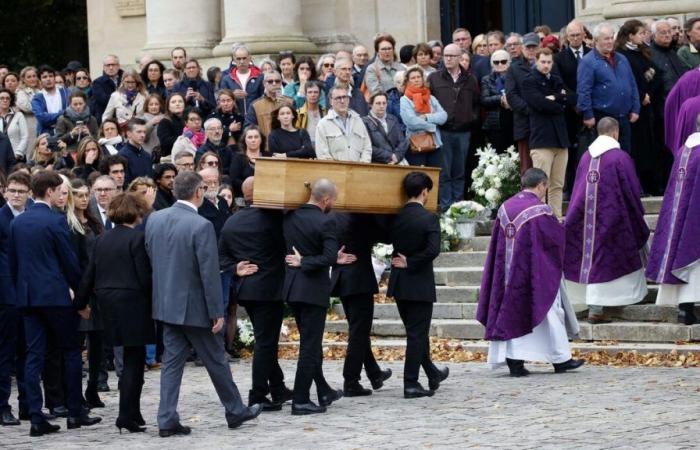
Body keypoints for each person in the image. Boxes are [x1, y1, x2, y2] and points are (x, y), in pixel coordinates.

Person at [145, 171, 262, 436]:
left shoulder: (155, 219)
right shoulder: (200, 225)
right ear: (198, 192)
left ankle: (166, 418)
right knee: (216, 360)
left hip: (166, 304)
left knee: (172, 364)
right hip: (195, 307)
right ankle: (234, 410)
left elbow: (153, 258)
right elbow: (208, 272)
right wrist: (216, 311)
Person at [10, 171, 100, 436]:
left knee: (34, 355)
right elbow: (70, 263)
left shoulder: (19, 223)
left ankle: (36, 416)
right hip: (56, 297)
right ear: (49, 191)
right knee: (70, 352)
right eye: (59, 190)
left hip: (28, 298)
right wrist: (80, 298)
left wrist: (22, 291)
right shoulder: (56, 221)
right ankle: (74, 412)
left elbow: (14, 264)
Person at [477, 167, 584, 377]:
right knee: (550, 311)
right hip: (533, 273)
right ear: (541, 185)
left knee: (510, 312)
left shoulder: (504, 207)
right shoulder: (540, 210)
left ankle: (515, 363)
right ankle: (561, 359)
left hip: (506, 276)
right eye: (545, 187)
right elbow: (555, 239)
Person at [77, 192, 153, 433]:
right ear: (137, 212)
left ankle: (133, 412)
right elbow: (144, 277)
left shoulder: (102, 239)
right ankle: (125, 415)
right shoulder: (137, 239)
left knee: (129, 359)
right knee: (134, 361)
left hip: (107, 302)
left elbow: (89, 274)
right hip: (132, 302)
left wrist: (80, 302)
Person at [564, 118, 650, 324]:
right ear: (615, 134)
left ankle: (592, 305)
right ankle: (608, 304)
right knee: (610, 256)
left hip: (584, 218)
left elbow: (577, 190)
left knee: (591, 255)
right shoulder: (620, 157)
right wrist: (637, 213)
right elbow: (631, 190)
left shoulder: (585, 157)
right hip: (615, 219)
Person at [219, 176, 292, 410]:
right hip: (269, 290)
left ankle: (278, 387)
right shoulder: (274, 219)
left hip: (247, 290)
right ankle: (258, 394)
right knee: (266, 342)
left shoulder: (233, 221)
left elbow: (222, 256)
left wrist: (235, 269)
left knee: (265, 340)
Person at [283, 178, 342, 415]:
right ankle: (300, 399)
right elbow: (329, 258)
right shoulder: (326, 222)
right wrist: (306, 261)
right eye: (333, 200)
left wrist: (300, 260)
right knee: (310, 346)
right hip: (312, 290)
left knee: (310, 343)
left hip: (293, 288)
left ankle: (323, 389)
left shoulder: (290, 217)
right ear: (326, 199)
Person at [387, 172, 448, 398]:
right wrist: (411, 262)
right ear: (424, 192)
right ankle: (411, 383)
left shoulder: (395, 216)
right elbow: (433, 250)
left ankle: (432, 373)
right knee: (417, 334)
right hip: (418, 282)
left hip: (400, 283)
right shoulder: (428, 218)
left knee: (415, 332)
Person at [646, 114, 700, 324]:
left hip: (678, 216)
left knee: (683, 258)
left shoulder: (683, 151)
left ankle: (684, 309)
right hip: (694, 217)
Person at [67, 178, 106, 409]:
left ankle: (93, 387)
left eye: (85, 194)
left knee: (99, 344)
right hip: (82, 288)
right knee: (78, 343)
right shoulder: (70, 225)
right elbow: (74, 262)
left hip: (98, 287)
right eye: (78, 195)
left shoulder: (93, 221)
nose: (83, 198)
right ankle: (76, 393)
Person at [616, 19, 665, 195]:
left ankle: (650, 183)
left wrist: (648, 92)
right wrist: (640, 93)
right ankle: (638, 185)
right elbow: (630, 80)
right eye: (641, 33)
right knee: (636, 147)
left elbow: (656, 74)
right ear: (630, 35)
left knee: (648, 147)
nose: (644, 36)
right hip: (634, 109)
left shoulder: (642, 51)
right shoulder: (622, 54)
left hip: (647, 105)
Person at [521, 47, 571, 218]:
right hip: (542, 140)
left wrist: (555, 98)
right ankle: (540, 218)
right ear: (536, 61)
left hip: (560, 139)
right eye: (543, 61)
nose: (546, 65)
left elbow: (569, 99)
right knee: (540, 185)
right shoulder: (529, 80)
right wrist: (557, 100)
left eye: (549, 62)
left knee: (557, 184)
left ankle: (556, 218)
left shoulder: (556, 79)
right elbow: (538, 103)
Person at [428, 43, 479, 208]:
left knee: (460, 171)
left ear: (459, 58)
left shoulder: (470, 79)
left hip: (463, 132)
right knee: (444, 172)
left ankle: (458, 207)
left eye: (452, 56)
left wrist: (471, 118)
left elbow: (476, 103)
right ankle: (446, 208)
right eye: (446, 55)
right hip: (442, 131)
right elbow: (427, 104)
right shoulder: (434, 78)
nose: (448, 59)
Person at [577, 23, 640, 153]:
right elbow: (584, 90)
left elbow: (632, 84)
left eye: (612, 37)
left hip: (624, 118)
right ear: (596, 40)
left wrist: (636, 108)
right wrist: (588, 115)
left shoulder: (622, 59)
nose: (610, 41)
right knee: (606, 155)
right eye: (606, 38)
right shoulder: (588, 62)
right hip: (603, 118)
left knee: (624, 154)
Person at [0, 171, 31, 426]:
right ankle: (2, 406)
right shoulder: (1, 219)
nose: (17, 195)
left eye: (22, 191)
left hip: (29, 293)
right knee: (5, 353)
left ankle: (27, 405)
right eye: (13, 191)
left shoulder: (31, 218)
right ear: (5, 192)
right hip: (7, 296)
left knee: (27, 351)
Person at [505, 33, 539, 174]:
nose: (531, 50)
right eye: (528, 47)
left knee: (543, 164)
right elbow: (511, 95)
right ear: (522, 48)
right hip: (524, 123)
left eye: (534, 47)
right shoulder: (514, 68)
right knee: (527, 166)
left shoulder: (546, 63)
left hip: (544, 125)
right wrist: (531, 109)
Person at [315, 86, 372, 162]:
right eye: (338, 98)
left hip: (358, 171)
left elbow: (367, 147)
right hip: (335, 172)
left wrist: (362, 166)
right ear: (331, 101)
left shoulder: (358, 121)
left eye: (345, 97)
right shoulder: (323, 124)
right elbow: (323, 155)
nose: (342, 101)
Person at [480, 49, 514, 152]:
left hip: (514, 122)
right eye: (496, 62)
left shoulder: (515, 77)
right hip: (495, 124)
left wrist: (511, 99)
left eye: (503, 61)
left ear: (509, 62)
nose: (500, 64)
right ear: (492, 64)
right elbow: (484, 99)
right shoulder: (486, 79)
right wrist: (501, 99)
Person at [244, 71, 293, 139]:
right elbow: (249, 129)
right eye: (270, 81)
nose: (274, 83)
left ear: (281, 82)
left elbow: (297, 125)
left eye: (277, 81)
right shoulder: (255, 105)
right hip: (265, 147)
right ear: (264, 83)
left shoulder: (290, 102)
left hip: (288, 145)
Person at [363, 92, 408, 164]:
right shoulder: (364, 122)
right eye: (378, 103)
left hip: (397, 160)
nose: (382, 106)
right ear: (371, 105)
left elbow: (402, 141)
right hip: (377, 163)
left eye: (384, 103)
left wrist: (397, 156)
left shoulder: (393, 119)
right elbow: (368, 146)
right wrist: (390, 156)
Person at [219, 44, 264, 114]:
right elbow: (221, 100)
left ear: (249, 58)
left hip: (255, 116)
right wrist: (232, 95)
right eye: (239, 59)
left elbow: (264, 97)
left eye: (244, 58)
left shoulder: (259, 77)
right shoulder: (227, 79)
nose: (242, 61)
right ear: (234, 59)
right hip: (235, 116)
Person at [229, 126, 270, 199]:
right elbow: (234, 180)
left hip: (266, 196)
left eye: (256, 137)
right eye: (250, 137)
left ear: (261, 139)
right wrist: (252, 187)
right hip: (244, 199)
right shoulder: (238, 158)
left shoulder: (268, 156)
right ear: (244, 140)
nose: (253, 140)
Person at [31, 65, 70, 136]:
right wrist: (62, 113)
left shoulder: (65, 92)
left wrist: (49, 116)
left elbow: (71, 112)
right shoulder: (37, 98)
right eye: (44, 77)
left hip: (66, 132)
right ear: (40, 81)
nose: (48, 79)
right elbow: (42, 118)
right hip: (46, 135)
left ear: (54, 78)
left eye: (51, 76)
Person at [197, 167, 230, 238]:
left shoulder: (222, 201)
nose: (213, 186)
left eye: (215, 182)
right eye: (208, 182)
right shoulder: (197, 203)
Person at [118, 118, 153, 185]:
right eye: (139, 132)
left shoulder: (147, 156)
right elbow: (124, 182)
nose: (143, 135)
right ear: (129, 134)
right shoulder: (122, 156)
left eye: (144, 132)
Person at [92, 55, 123, 124]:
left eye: (113, 65)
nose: (111, 68)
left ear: (118, 66)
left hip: (124, 118)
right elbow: (104, 100)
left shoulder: (125, 80)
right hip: (105, 119)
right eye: (108, 65)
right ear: (104, 67)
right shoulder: (97, 83)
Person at [16, 66, 40, 153]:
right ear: (23, 79)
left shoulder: (40, 91)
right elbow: (27, 107)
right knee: (31, 153)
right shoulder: (20, 92)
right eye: (29, 77)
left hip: (42, 127)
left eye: (34, 76)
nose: (32, 79)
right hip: (29, 127)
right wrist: (40, 107)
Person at [0, 88, 28, 160]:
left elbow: (25, 136)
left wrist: (18, 153)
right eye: (2, 98)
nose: (5, 100)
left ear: (11, 100)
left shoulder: (19, 115)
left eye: (7, 98)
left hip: (16, 157)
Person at [295, 81, 326, 145]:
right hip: (305, 147)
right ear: (305, 95)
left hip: (322, 145)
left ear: (320, 94)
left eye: (316, 92)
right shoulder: (299, 113)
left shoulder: (325, 112)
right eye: (310, 92)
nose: (313, 95)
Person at [157, 93, 186, 159]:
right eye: (173, 102)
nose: (177, 104)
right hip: (170, 158)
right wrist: (185, 138)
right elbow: (165, 142)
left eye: (180, 101)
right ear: (168, 107)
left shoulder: (187, 121)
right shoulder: (165, 122)